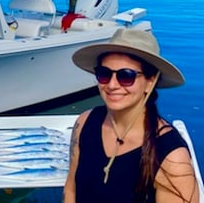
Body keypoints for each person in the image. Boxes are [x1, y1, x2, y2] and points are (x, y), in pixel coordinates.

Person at [63, 28, 199, 203]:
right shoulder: (85, 123)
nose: (112, 85)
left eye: (126, 76)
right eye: (104, 74)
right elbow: (71, 189)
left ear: (150, 82)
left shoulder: (171, 156)